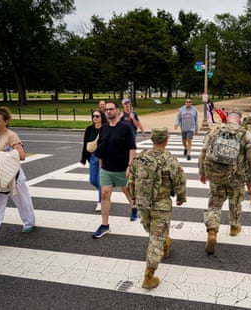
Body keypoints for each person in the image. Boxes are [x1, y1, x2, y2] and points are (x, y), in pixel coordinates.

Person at [127, 127, 187, 289]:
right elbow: (179, 181)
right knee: (156, 238)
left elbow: (131, 178)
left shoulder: (140, 157)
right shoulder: (170, 160)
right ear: (166, 140)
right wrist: (181, 198)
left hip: (142, 203)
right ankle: (149, 276)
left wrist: (133, 197)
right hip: (160, 204)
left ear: (152, 139)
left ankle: (165, 242)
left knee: (152, 231)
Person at [198, 110, 251, 254]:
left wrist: (202, 172)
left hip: (216, 175)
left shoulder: (215, 131)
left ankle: (212, 231)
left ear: (227, 119)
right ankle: (234, 227)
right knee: (235, 202)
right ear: (240, 120)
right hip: (236, 177)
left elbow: (203, 152)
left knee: (214, 204)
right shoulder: (245, 134)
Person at [0, 106, 36, 252]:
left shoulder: (11, 136)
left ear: (6, 122)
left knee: (23, 201)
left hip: (12, 176)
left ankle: (29, 222)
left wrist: (1, 154)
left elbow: (21, 156)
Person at [92, 101, 137, 239]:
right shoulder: (104, 128)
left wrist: (130, 165)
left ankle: (134, 207)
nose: (108, 112)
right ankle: (105, 225)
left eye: (111, 109)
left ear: (117, 111)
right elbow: (102, 147)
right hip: (106, 168)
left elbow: (132, 148)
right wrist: (100, 163)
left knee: (126, 189)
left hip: (122, 168)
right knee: (105, 194)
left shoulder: (125, 128)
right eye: (106, 110)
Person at [80, 109, 107, 212]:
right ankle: (104, 191)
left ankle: (100, 201)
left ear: (102, 117)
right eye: (93, 116)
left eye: (97, 116)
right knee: (92, 180)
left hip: (103, 157)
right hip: (92, 156)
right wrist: (83, 158)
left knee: (100, 181)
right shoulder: (89, 129)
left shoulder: (106, 129)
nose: (95, 118)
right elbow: (85, 144)